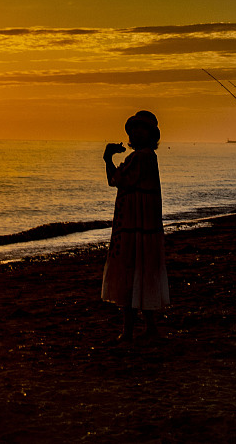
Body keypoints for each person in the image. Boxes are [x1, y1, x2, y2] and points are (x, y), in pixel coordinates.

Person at [101, 110, 169, 342]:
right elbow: (118, 181)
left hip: (135, 227)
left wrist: (108, 159)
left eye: (142, 128)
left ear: (151, 134)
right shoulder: (145, 156)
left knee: (130, 276)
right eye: (135, 128)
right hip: (142, 227)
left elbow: (116, 180)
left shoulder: (141, 157)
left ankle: (128, 330)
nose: (137, 132)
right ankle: (148, 327)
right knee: (142, 275)